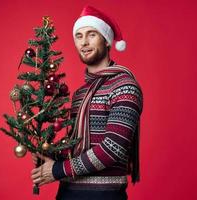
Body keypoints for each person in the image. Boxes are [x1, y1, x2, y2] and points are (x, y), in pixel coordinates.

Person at [31, 5, 143, 200]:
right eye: (79, 36)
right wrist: (51, 154)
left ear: (107, 41)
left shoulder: (125, 87)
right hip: (67, 193)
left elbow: (112, 149)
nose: (84, 42)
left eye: (92, 34)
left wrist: (57, 170)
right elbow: (77, 146)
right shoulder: (81, 94)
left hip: (104, 195)